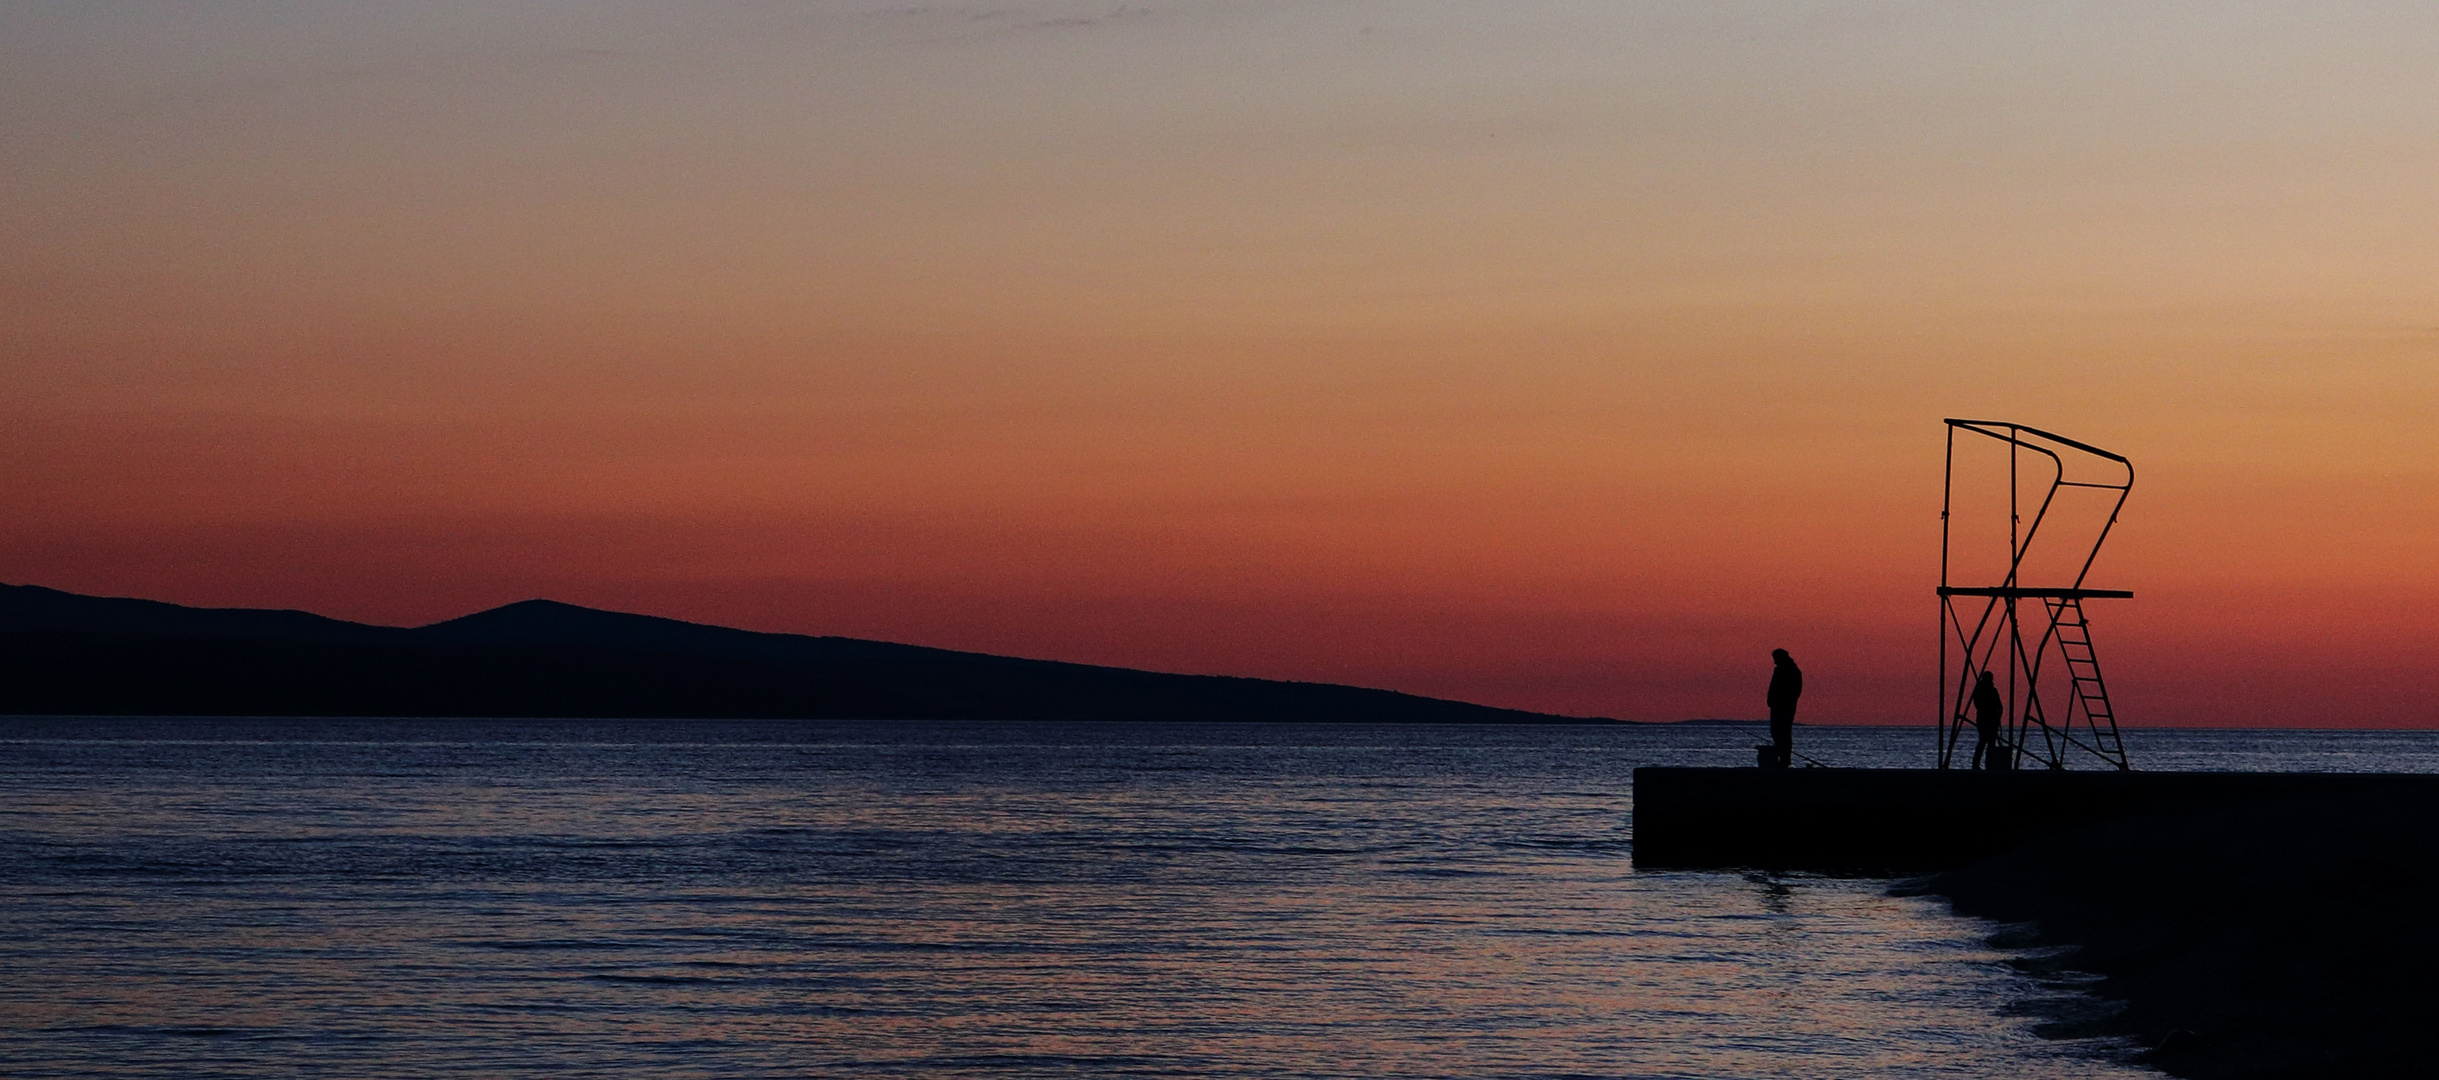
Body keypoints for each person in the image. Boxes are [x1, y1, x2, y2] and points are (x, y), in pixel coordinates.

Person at [1764, 649, 1802, 769]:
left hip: (1784, 706)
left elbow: (1796, 689)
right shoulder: (1781, 669)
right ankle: (1783, 757)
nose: (1774, 662)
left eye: (1775, 658)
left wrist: (1785, 701)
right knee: (1778, 731)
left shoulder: (1791, 670)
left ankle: (1785, 758)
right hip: (1778, 705)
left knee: (1783, 731)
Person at [1969, 670, 2008, 771]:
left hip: (1989, 718)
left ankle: (1986, 765)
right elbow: (1978, 704)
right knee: (1985, 741)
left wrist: (1998, 715)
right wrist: (1997, 714)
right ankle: (1982, 765)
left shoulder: (1986, 690)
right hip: (1986, 718)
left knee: (1988, 742)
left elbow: (1999, 705)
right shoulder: (1984, 690)